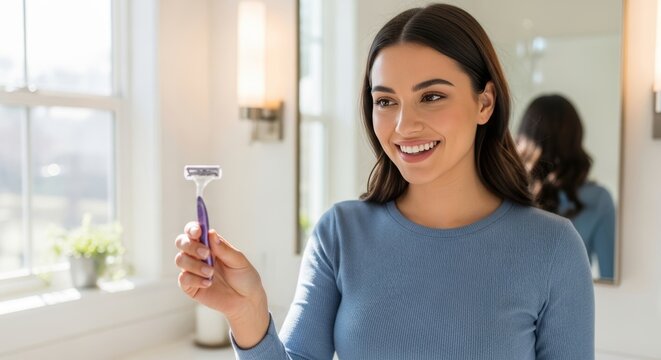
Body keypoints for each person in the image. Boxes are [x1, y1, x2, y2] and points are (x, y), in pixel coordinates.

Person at [174, 4, 594, 359]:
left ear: (484, 102)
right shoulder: (340, 234)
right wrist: (248, 314)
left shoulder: (552, 247)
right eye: (386, 101)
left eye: (431, 96)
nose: (403, 125)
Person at [517, 94, 616, 280]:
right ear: (576, 137)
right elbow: (609, 276)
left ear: (526, 136)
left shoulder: (507, 195)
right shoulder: (599, 199)